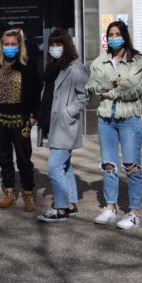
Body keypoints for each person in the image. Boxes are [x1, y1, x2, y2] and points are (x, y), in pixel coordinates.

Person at [87, 20, 142, 230]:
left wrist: (109, 92)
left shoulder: (136, 59)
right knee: (108, 164)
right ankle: (110, 207)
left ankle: (134, 212)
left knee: (131, 165)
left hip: (129, 118)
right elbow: (92, 86)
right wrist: (115, 84)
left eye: (117, 34)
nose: (114, 38)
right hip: (106, 119)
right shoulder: (99, 61)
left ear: (124, 36)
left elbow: (133, 88)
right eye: (110, 34)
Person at [36, 29, 89, 222]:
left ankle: (60, 208)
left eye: (59, 44)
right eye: (52, 44)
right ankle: (71, 203)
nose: (55, 48)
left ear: (67, 45)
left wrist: (68, 112)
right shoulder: (53, 67)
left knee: (54, 167)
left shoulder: (76, 68)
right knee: (64, 166)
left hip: (64, 125)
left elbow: (84, 97)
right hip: (52, 124)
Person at [0, 28, 41, 212]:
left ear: (19, 46)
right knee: (5, 159)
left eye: (13, 44)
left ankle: (28, 193)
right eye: (6, 44)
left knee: (24, 160)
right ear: (1, 46)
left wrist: (34, 116)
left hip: (20, 121)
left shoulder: (28, 65)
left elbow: (36, 91)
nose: (10, 47)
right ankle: (9, 192)